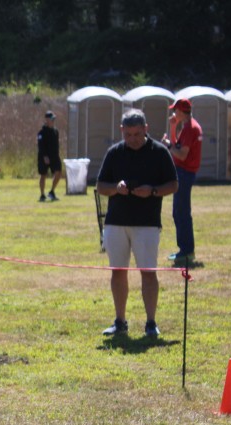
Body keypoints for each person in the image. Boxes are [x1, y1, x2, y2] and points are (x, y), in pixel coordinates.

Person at [96, 109, 178, 337]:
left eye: (137, 134)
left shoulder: (159, 152)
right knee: (118, 272)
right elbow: (101, 186)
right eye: (128, 134)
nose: (132, 139)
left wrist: (152, 191)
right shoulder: (114, 153)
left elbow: (173, 184)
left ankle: (151, 323)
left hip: (147, 224)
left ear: (146, 129)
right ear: (122, 131)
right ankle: (120, 321)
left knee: (148, 272)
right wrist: (116, 188)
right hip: (116, 223)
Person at [162, 98, 202, 267]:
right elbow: (177, 146)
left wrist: (167, 146)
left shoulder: (190, 128)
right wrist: (173, 128)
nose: (173, 113)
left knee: (181, 212)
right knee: (179, 211)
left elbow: (181, 155)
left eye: (175, 110)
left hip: (184, 173)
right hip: (183, 172)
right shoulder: (187, 127)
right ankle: (184, 249)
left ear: (180, 111)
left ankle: (186, 251)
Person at [37, 111, 62, 201]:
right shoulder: (41, 132)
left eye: (53, 119)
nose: (53, 120)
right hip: (44, 157)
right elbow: (40, 145)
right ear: (47, 120)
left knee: (58, 172)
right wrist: (45, 156)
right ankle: (42, 195)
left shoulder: (55, 131)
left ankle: (52, 191)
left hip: (54, 156)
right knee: (43, 175)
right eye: (51, 119)